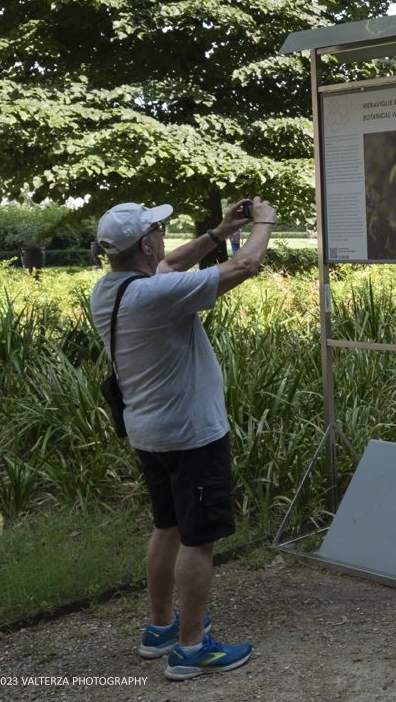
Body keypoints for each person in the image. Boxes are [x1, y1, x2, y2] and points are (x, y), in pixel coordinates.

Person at [90, 197, 275, 681]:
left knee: (167, 527)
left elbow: (170, 265)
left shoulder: (111, 288)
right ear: (146, 243)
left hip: (150, 433)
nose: (163, 238)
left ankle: (161, 628)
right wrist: (265, 222)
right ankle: (191, 648)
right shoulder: (151, 296)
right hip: (190, 435)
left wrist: (217, 232)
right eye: (158, 231)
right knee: (199, 539)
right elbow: (246, 265)